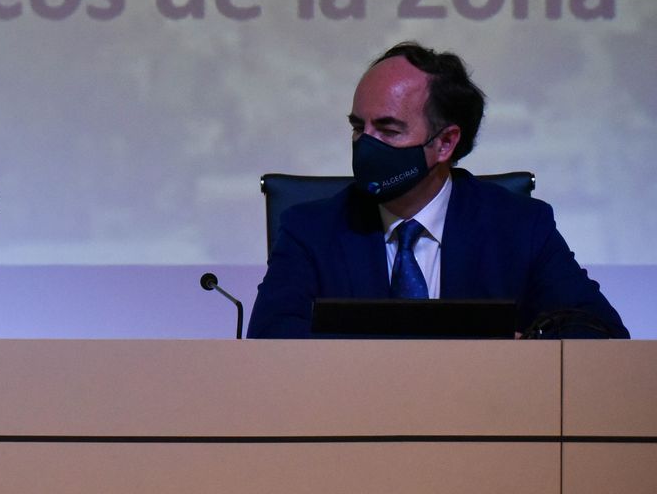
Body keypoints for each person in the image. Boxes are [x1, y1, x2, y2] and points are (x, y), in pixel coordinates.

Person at [249, 42, 626, 338]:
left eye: (388, 129)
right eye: (358, 128)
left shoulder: (520, 226)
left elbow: (599, 332)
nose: (366, 145)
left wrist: (523, 353)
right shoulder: (311, 230)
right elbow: (271, 340)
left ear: (445, 143)